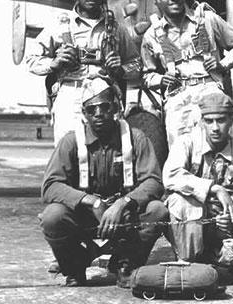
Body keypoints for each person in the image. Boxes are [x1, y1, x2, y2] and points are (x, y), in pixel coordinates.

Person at [39, 76, 168, 288]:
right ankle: (74, 265)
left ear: (116, 108)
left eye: (104, 107)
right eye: (92, 110)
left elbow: (153, 181)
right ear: (84, 113)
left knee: (157, 211)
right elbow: (50, 185)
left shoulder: (135, 138)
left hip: (123, 216)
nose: (98, 114)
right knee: (52, 217)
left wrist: (123, 203)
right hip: (85, 217)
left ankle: (126, 263)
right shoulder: (71, 141)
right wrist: (90, 201)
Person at [27, 0, 142, 144]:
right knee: (67, 150)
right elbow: (31, 60)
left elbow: (136, 63)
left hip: (103, 98)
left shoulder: (115, 29)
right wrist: (54, 63)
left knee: (106, 153)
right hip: (70, 92)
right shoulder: (59, 26)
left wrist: (120, 70)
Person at [141, 0, 233, 145]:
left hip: (210, 93)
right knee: (179, 151)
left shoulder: (208, 20)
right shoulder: (151, 35)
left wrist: (222, 65)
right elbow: (146, 75)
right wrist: (161, 80)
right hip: (178, 98)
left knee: (214, 149)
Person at [162, 91, 233, 275]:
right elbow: (170, 175)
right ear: (201, 122)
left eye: (221, 120)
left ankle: (210, 259)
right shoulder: (186, 142)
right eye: (209, 121)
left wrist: (231, 221)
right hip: (191, 218)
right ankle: (189, 257)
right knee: (179, 202)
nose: (215, 128)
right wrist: (214, 188)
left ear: (231, 120)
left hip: (220, 225)